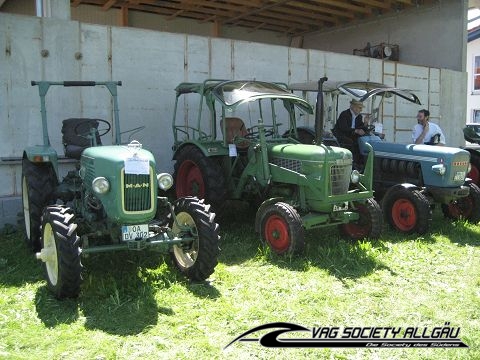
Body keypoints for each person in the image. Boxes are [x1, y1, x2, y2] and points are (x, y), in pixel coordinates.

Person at [333, 99, 368, 165]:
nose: (361, 110)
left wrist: (365, 123)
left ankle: (360, 163)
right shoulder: (344, 114)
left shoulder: (359, 117)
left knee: (362, 142)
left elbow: (361, 127)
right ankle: (351, 161)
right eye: (360, 108)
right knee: (352, 142)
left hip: (352, 135)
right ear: (353, 107)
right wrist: (356, 130)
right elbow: (344, 128)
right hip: (341, 135)